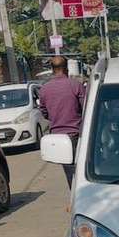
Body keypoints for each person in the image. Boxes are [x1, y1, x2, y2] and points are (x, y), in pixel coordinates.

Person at [39, 56, 86, 188]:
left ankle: (75, 197)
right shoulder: (75, 85)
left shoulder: (44, 89)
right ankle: (80, 199)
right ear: (66, 68)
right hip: (76, 134)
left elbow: (44, 112)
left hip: (58, 138)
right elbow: (86, 108)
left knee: (69, 171)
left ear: (52, 70)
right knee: (81, 170)